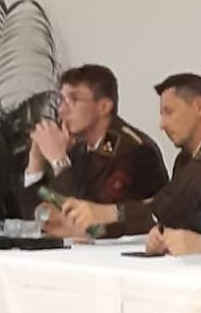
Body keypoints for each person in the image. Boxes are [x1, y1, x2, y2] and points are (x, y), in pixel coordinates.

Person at [60, 73, 201, 239]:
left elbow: (173, 209)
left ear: (199, 107)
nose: (162, 124)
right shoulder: (186, 158)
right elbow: (165, 209)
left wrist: (109, 214)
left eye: (169, 112)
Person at [19, 64, 167, 226]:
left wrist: (59, 160)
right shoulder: (78, 149)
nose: (61, 110)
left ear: (104, 107)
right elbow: (35, 217)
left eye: (74, 100)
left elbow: (89, 218)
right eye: (61, 100)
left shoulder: (134, 150)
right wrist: (36, 161)